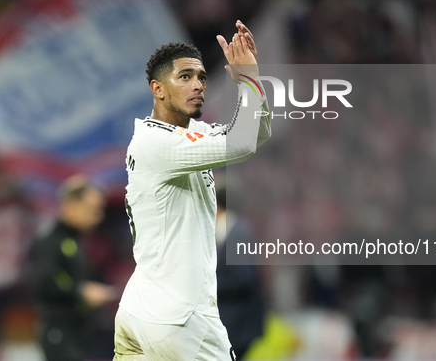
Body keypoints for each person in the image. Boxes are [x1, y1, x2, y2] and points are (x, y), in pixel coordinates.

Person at [113, 20, 271, 360]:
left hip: (141, 309)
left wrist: (252, 81)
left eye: (201, 76)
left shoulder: (185, 136)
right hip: (181, 318)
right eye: (185, 77)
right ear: (157, 88)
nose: (198, 84)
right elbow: (242, 142)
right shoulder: (159, 143)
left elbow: (254, 135)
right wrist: (248, 80)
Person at [31, 175, 118, 361]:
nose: (97, 217)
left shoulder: (74, 240)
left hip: (77, 330)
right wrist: (81, 292)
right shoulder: (51, 240)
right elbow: (42, 282)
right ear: (70, 205)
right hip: (59, 331)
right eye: (91, 210)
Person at [215, 186, 265, 360]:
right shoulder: (233, 231)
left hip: (239, 324)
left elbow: (244, 278)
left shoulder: (238, 233)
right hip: (235, 322)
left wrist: (210, 286)